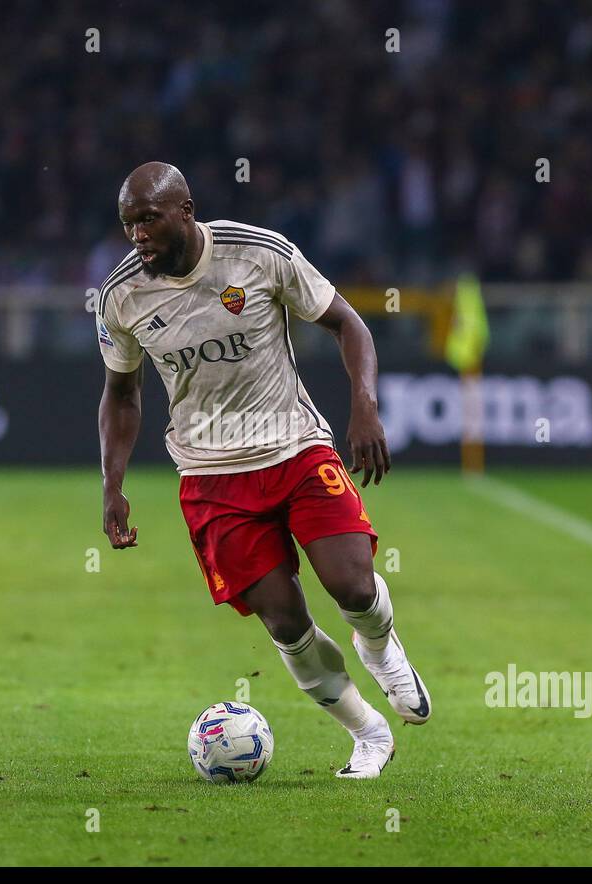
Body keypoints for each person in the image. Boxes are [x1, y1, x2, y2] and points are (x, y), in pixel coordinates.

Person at [96, 162, 431, 779]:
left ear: (185, 211)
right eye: (127, 224)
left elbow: (347, 323)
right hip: (211, 477)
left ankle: (381, 649)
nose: (137, 234)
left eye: (148, 219)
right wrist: (113, 486)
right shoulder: (120, 296)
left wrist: (365, 406)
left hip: (295, 449)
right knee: (285, 620)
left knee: (353, 585)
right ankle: (368, 733)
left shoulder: (258, 253)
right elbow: (122, 394)